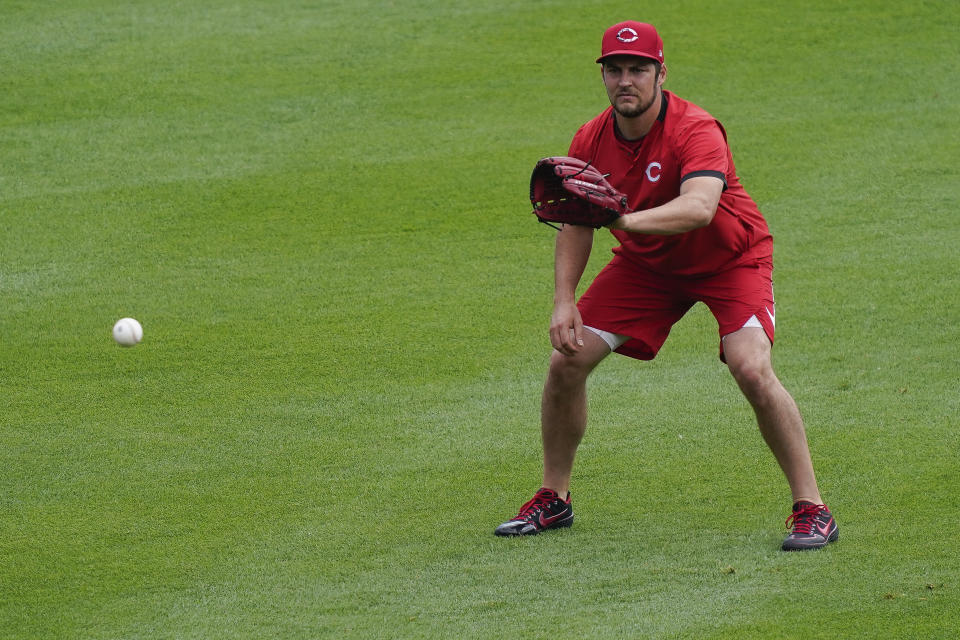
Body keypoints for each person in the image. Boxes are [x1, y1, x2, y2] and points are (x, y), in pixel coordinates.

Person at [495, 21, 838, 551]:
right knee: (567, 359)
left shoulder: (695, 128)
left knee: (750, 365)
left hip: (731, 260)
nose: (625, 80)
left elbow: (700, 208)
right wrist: (564, 300)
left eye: (638, 69)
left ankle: (812, 508)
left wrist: (626, 222)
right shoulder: (590, 137)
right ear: (603, 75)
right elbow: (576, 221)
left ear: (661, 73)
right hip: (648, 268)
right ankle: (553, 498)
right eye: (614, 69)